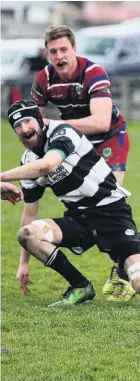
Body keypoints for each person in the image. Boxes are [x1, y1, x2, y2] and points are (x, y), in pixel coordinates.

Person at [1, 99, 139, 307]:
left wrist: (2, 177)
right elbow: (30, 212)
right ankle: (80, 286)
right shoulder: (28, 160)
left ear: (39, 120)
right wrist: (24, 263)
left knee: (138, 282)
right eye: (17, 126)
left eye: (28, 121)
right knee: (28, 234)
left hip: (111, 213)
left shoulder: (63, 133)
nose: (24, 129)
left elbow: (47, 165)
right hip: (78, 219)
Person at [30, 25, 133, 300]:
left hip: (110, 140)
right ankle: (90, 241)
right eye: (53, 51)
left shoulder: (93, 73)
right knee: (86, 208)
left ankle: (121, 269)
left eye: (64, 49)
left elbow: (100, 122)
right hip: (78, 143)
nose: (59, 56)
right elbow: (33, 125)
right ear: (47, 53)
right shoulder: (44, 79)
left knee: (110, 203)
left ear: (74, 49)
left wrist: (55, 124)